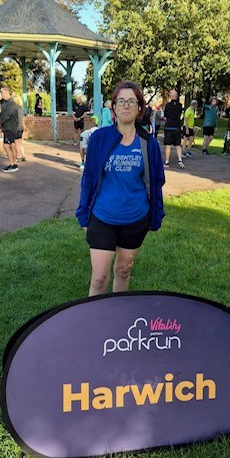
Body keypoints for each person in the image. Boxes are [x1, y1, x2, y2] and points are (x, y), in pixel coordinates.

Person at [76, 80, 165, 296]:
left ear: (139, 108)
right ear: (113, 107)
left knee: (123, 271)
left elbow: (156, 182)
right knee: (99, 279)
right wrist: (83, 214)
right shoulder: (99, 138)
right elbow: (88, 178)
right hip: (102, 217)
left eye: (131, 101)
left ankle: (117, 315)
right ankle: (95, 317)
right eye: (121, 101)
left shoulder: (148, 143)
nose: (126, 105)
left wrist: (156, 216)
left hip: (135, 219)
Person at [0, 87, 19, 172]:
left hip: (10, 128)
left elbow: (7, 115)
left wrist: (0, 122)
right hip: (7, 127)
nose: (1, 94)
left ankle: (12, 164)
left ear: (6, 92)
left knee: (6, 146)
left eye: (2, 92)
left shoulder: (11, 103)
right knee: (12, 145)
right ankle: (13, 163)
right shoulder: (5, 103)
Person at [163, 89, 184, 168]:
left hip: (169, 127)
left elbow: (165, 115)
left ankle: (167, 161)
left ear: (170, 96)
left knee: (168, 145)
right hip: (177, 127)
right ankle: (180, 160)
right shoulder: (180, 105)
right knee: (178, 144)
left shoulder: (168, 105)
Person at [13, 94, 26, 162]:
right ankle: (23, 155)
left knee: (16, 143)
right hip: (21, 126)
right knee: (20, 142)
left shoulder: (14, 108)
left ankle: (18, 156)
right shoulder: (20, 108)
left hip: (15, 127)